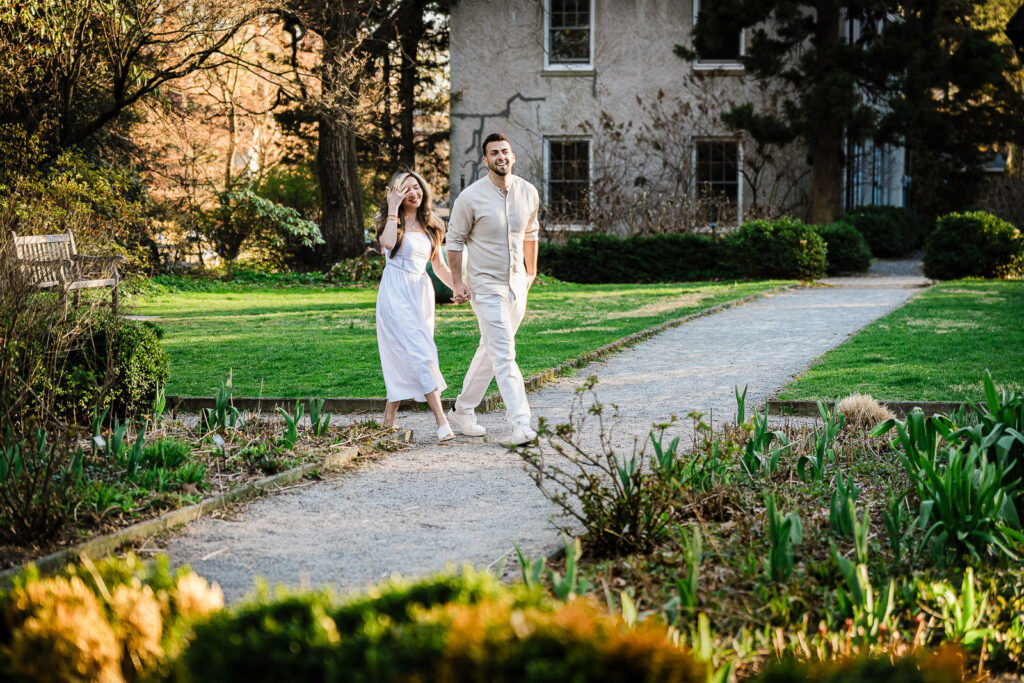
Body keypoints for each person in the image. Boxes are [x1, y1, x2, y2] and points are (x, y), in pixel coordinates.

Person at [445, 133, 540, 446]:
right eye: (494, 153)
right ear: (485, 160)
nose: (501, 157)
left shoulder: (528, 192)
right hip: (485, 287)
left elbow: (530, 233)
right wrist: (458, 282)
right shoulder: (470, 198)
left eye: (505, 151)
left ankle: (462, 410)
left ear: (512, 157)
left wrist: (531, 270)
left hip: (517, 286)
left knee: (491, 349)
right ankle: (520, 424)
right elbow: (454, 241)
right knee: (504, 354)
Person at [375, 169, 461, 442]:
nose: (414, 193)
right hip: (395, 291)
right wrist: (392, 209)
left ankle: (388, 421)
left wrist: (458, 286)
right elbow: (387, 244)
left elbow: (439, 266)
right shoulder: (389, 221)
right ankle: (442, 421)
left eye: (417, 188)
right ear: (396, 192)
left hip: (420, 292)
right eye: (406, 189)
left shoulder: (433, 224)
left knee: (409, 352)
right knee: (421, 352)